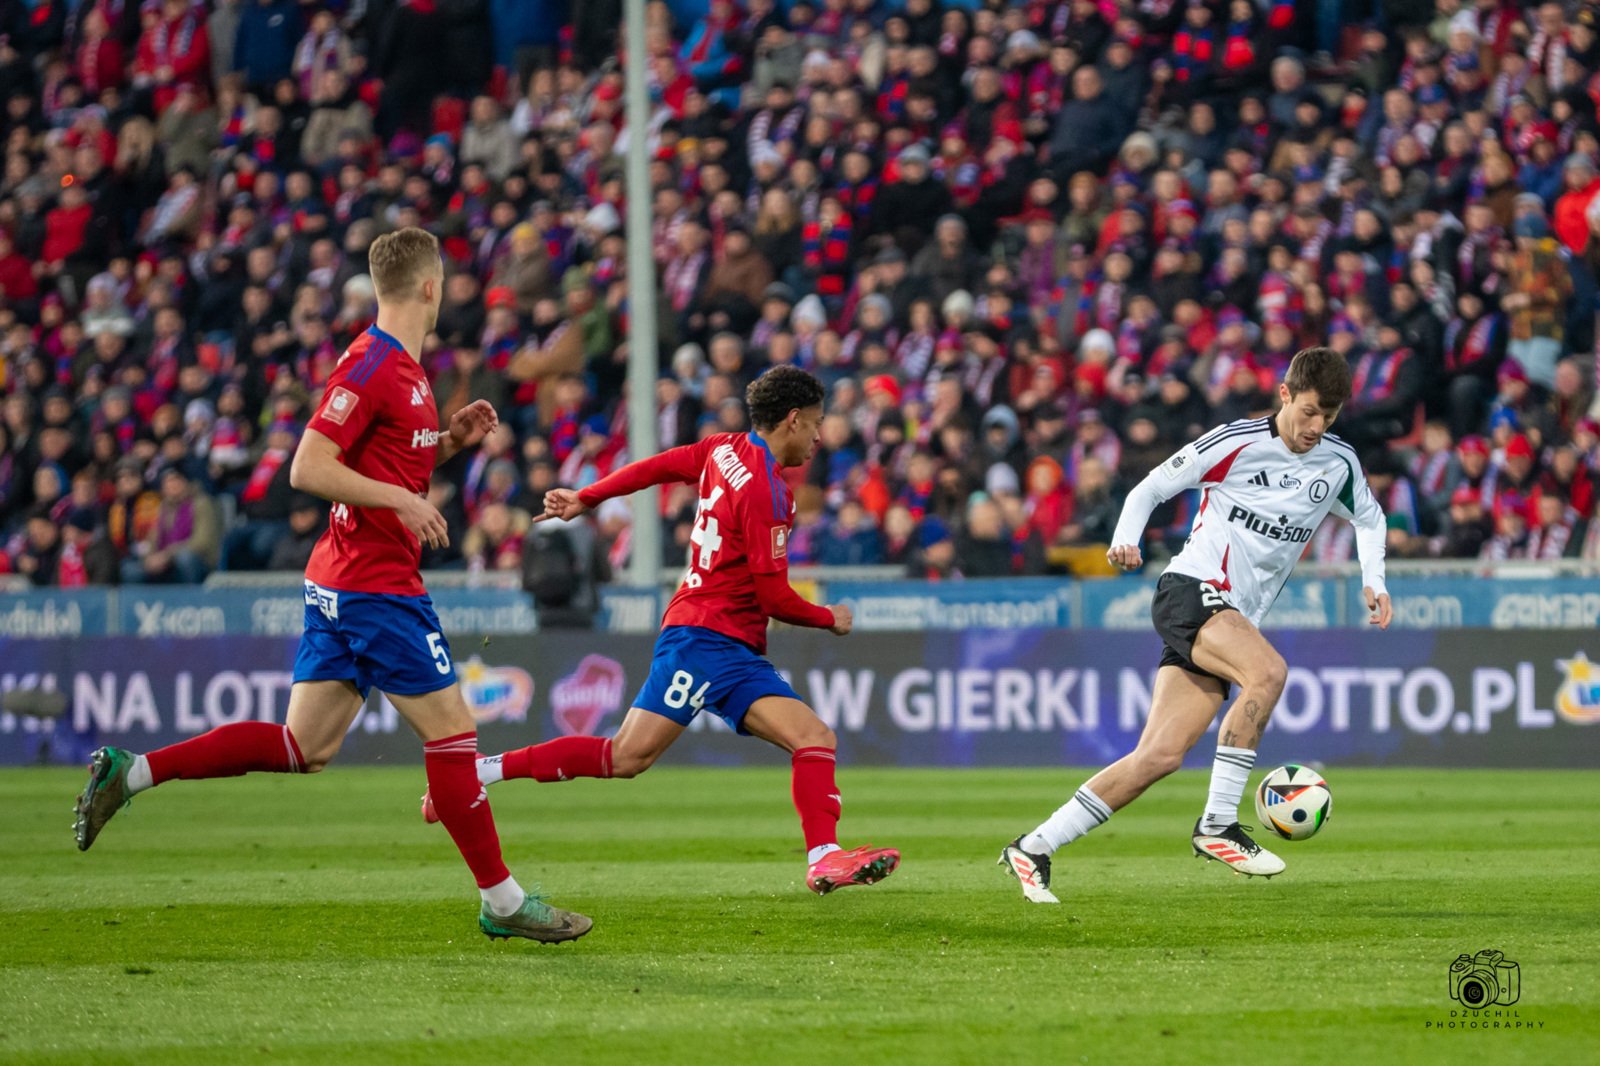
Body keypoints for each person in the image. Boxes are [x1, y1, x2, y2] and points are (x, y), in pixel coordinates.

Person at [72, 228, 590, 944]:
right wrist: (402, 503)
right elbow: (308, 467)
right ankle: (502, 903)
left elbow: (389, 461)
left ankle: (129, 776)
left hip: (342, 580)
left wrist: (449, 446)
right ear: (430, 287)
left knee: (302, 745)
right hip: (375, 587)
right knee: (453, 735)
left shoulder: (407, 371)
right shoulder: (372, 364)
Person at [424, 366, 901, 896]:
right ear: (792, 420)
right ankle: (476, 772)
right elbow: (774, 598)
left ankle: (823, 858)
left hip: (725, 642)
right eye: (814, 425)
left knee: (812, 738)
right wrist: (827, 617)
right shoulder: (767, 491)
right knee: (625, 757)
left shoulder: (724, 449)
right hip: (705, 640)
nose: (817, 438)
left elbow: (660, 466)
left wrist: (590, 495)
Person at [999, 347, 1393, 903]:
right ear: (1284, 395)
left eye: (1328, 417)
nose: (1315, 427)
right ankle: (1217, 824)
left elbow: (1370, 519)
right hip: (1191, 589)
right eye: (1308, 412)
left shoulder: (1338, 463)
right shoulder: (1234, 443)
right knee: (1269, 673)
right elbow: (1152, 487)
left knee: (1157, 757)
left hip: (1227, 617)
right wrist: (1126, 536)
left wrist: (1373, 581)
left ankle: (1033, 847)